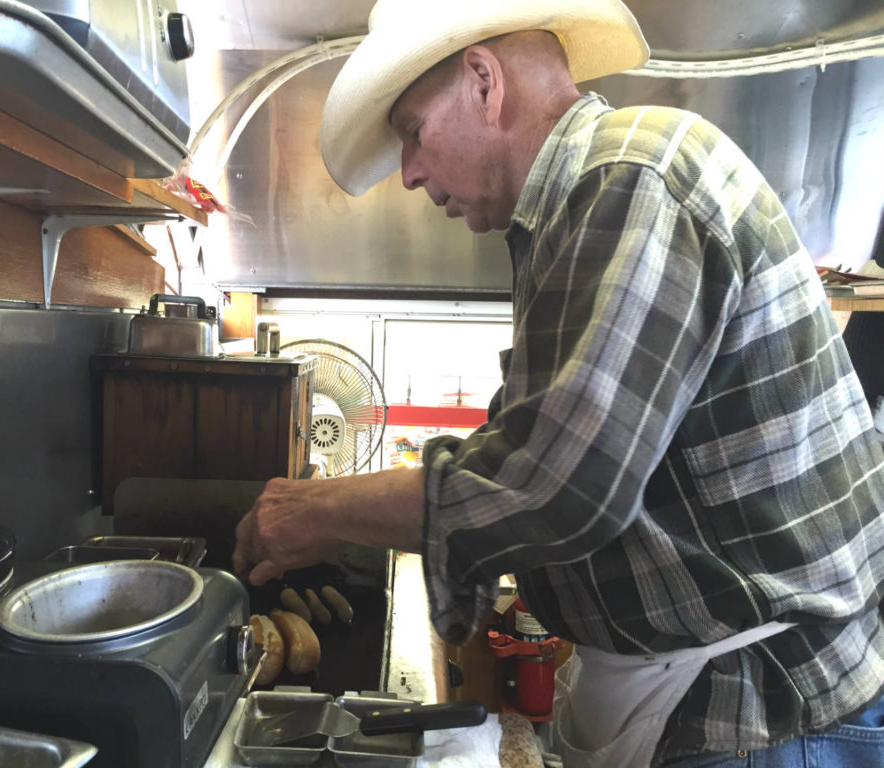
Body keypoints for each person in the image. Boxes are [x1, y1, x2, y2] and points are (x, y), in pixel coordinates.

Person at [232, 1, 884, 765]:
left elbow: (554, 486)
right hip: (708, 687)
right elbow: (524, 444)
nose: (409, 173)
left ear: (483, 81)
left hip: (761, 705)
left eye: (412, 132)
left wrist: (324, 510)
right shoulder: (566, 220)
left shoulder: (631, 177)